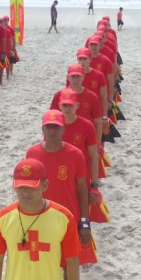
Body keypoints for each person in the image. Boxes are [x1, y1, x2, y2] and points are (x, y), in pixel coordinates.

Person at [26, 110, 96, 266]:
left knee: (69, 266)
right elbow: (28, 188)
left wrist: (84, 222)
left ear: (63, 129)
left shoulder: (76, 154)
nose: (52, 130)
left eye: (56, 127)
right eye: (48, 126)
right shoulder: (32, 153)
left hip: (68, 218)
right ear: (42, 129)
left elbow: (82, 189)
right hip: (40, 217)